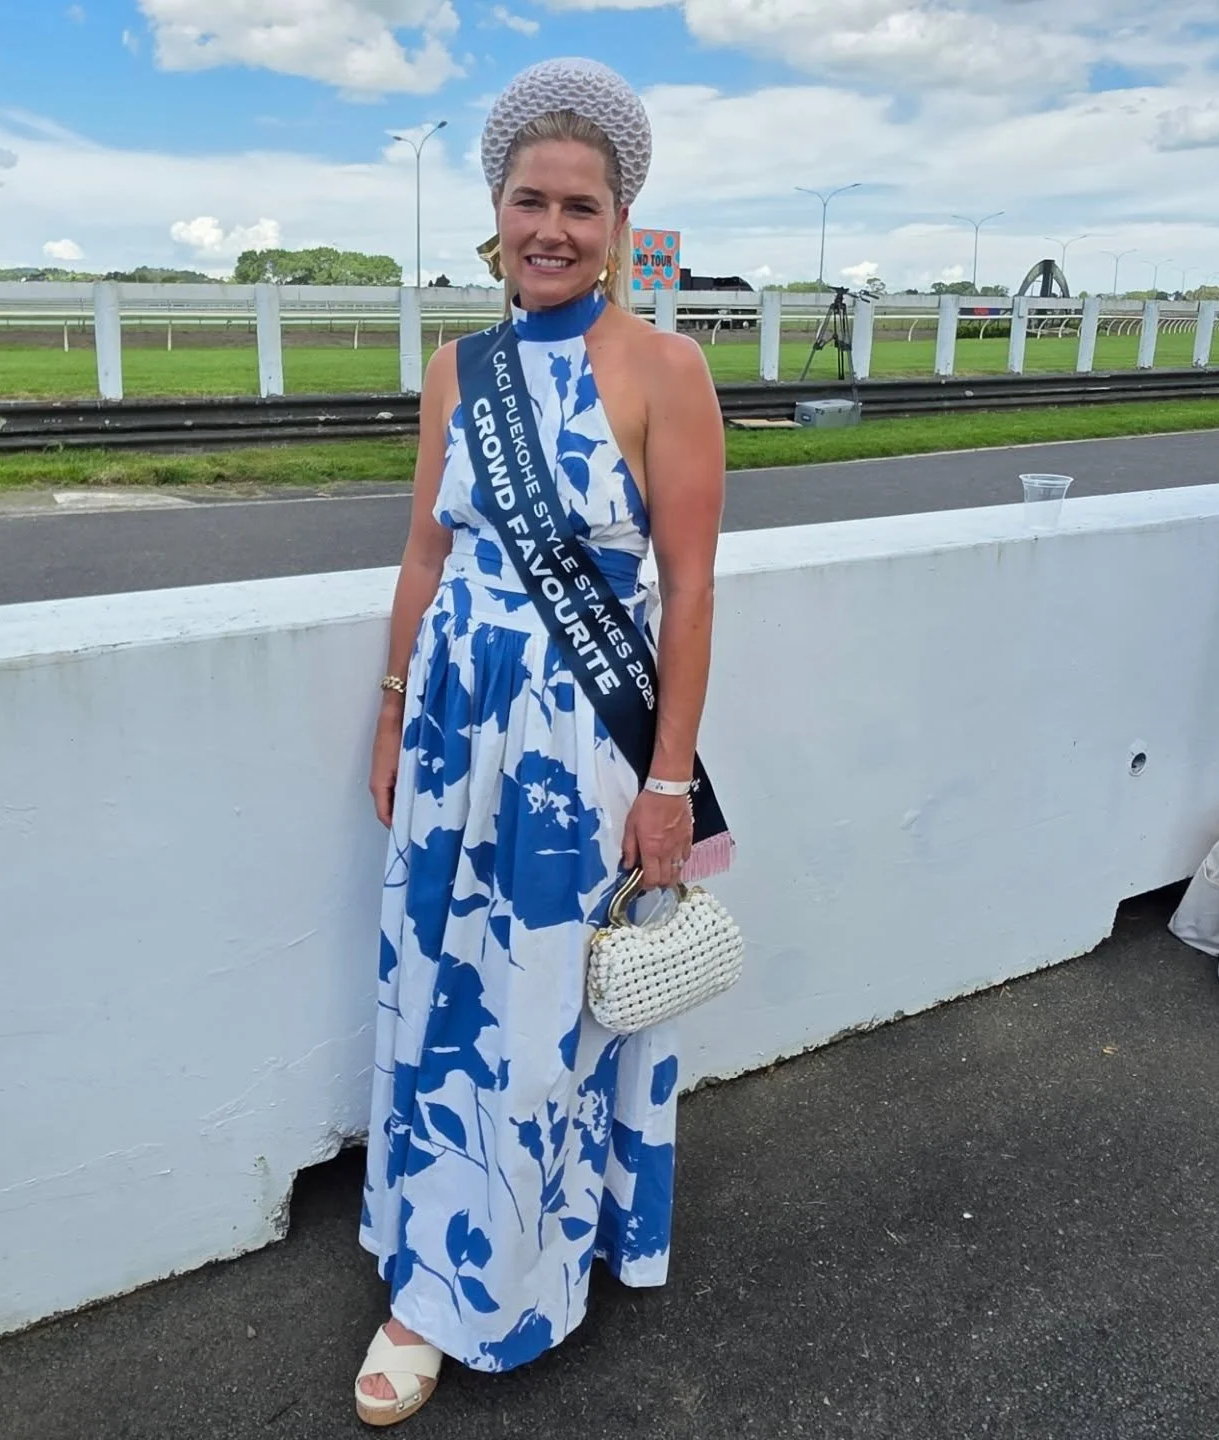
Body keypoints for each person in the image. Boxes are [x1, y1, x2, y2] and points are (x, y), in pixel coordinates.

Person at [355, 56, 732, 1426]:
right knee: (443, 985)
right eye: (531, 199)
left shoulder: (667, 370)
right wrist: (394, 707)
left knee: (539, 1013)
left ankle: (476, 1288)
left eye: (582, 204)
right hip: (456, 734)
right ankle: (435, 1240)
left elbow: (686, 588)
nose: (554, 228)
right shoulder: (460, 370)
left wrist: (671, 780)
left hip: (581, 752)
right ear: (496, 210)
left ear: (622, 221)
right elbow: (422, 549)